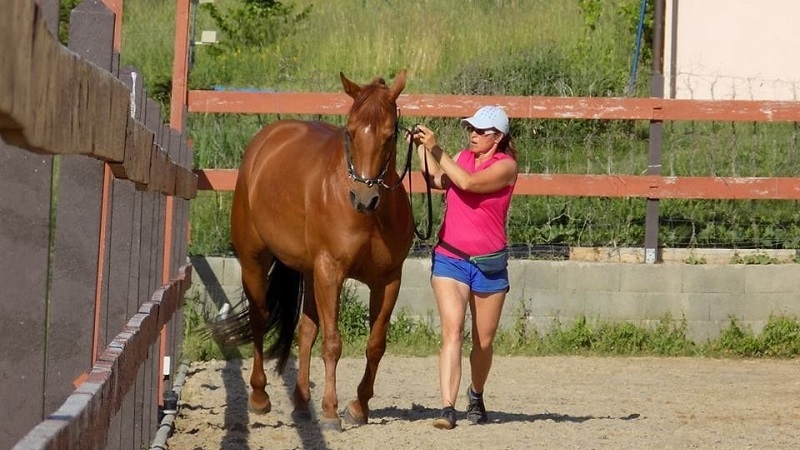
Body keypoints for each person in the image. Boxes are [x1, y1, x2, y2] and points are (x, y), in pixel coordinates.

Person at [409, 105, 518, 429]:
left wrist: (436, 148)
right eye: (470, 128)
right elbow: (439, 177)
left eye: (480, 131)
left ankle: (476, 392)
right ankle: (447, 408)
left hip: (488, 265)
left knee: (483, 342)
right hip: (450, 257)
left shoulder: (506, 167)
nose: (472, 134)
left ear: (497, 137)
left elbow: (468, 183)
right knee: (452, 330)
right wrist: (421, 148)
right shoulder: (461, 156)